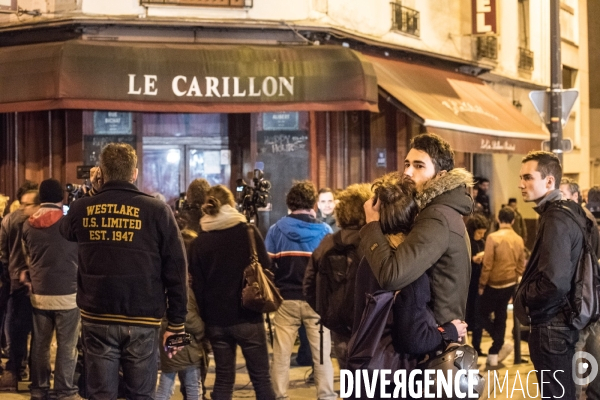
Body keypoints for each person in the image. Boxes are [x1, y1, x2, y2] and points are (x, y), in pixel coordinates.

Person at [59, 143, 188, 399]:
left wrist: (93, 191)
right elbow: (177, 269)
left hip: (98, 315)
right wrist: (177, 323)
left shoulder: (83, 208)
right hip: (143, 316)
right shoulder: (157, 210)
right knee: (141, 395)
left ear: (101, 173)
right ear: (135, 174)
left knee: (100, 394)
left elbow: (65, 229)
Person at [352, 173, 467, 396]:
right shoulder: (409, 270)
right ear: (416, 216)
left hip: (366, 372)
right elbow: (413, 340)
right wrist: (450, 330)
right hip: (396, 379)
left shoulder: (370, 258)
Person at [361, 133, 473, 326]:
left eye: (419, 166)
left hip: (435, 338)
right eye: (407, 164)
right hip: (434, 334)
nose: (408, 172)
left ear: (441, 175)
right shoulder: (439, 211)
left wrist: (372, 224)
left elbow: (392, 276)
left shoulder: (436, 217)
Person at [188, 185, 276, 400]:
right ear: (231, 204)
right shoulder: (248, 232)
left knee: (224, 377)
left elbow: (197, 286)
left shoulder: (199, 242)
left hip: (216, 321)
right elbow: (266, 266)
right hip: (248, 315)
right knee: (261, 378)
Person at [513, 151, 590, 398]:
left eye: (528, 177)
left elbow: (555, 282)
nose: (520, 184)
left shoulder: (555, 217)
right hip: (561, 324)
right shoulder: (569, 212)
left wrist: (524, 297)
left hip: (551, 327)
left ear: (549, 181)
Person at [265, 181, 335, 400]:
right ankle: (326, 396)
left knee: (281, 355)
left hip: (286, 301)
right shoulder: (325, 231)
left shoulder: (276, 230)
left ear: (289, 203)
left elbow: (268, 268)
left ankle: (279, 395)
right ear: (313, 203)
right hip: (316, 302)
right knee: (322, 355)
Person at [21, 179, 80, 400]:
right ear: (61, 198)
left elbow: (28, 257)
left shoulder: (27, 224)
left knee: (40, 344)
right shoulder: (69, 223)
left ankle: (39, 388)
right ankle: (64, 390)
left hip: (40, 294)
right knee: (67, 346)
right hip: (68, 294)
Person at [304, 183, 372, 370]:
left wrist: (327, 312)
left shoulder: (327, 243)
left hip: (339, 328)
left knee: (349, 383)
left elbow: (308, 285)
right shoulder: (373, 243)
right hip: (369, 328)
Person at [0, 187, 40, 390]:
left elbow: (3, 253)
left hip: (17, 281)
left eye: (28, 204)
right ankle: (29, 373)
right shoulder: (37, 220)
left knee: (18, 331)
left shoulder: (9, 220)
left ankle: (16, 370)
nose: (25, 208)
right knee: (32, 331)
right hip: (30, 284)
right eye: (23, 203)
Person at [477, 206, 525, 367]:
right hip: (510, 283)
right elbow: (521, 265)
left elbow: (487, 264)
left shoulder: (493, 237)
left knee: (480, 314)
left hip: (493, 283)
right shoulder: (518, 239)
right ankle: (495, 351)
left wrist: (482, 284)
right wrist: (514, 277)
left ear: (498, 219)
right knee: (501, 315)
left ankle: (497, 342)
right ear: (512, 220)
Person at [465, 213, 489, 356]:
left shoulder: (482, 242)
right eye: (479, 232)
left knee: (478, 315)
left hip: (479, 282)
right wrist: (472, 259)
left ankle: (477, 348)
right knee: (467, 315)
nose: (481, 235)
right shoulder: (467, 241)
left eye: (483, 233)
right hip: (468, 284)